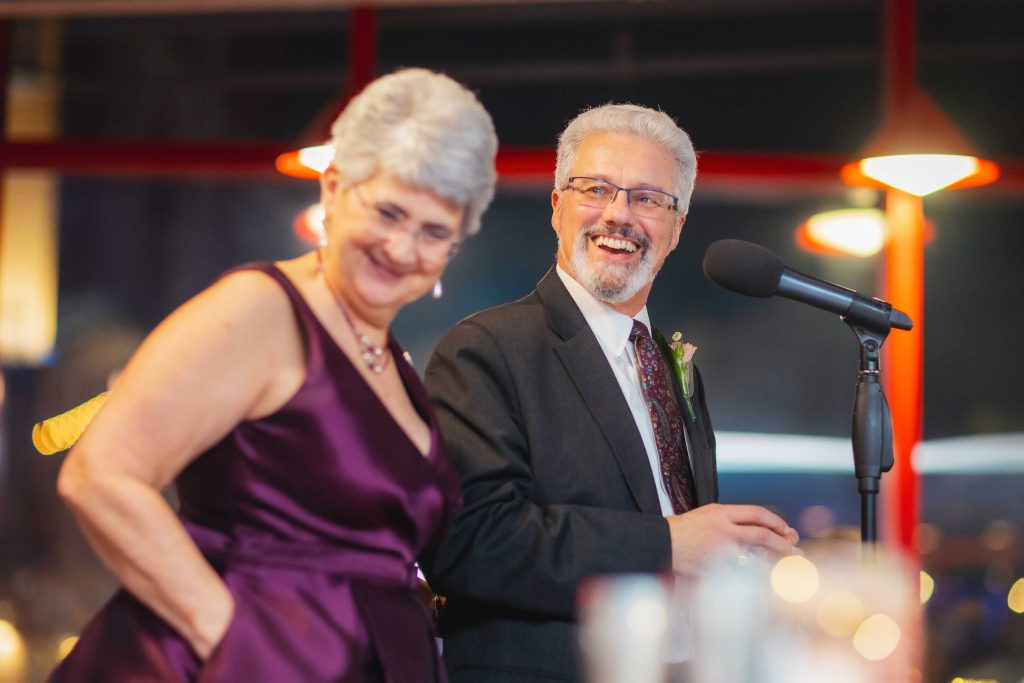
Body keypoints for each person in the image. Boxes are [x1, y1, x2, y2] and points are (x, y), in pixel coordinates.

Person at [51, 67, 497, 682]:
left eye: (433, 232)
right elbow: (100, 477)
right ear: (334, 190)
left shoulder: (386, 354)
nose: (401, 249)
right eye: (389, 213)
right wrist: (237, 645)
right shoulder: (261, 309)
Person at [421, 104, 800, 682]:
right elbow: (468, 542)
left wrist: (738, 555)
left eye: (649, 199)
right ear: (557, 207)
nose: (619, 215)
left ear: (676, 229)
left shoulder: (677, 370)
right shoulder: (486, 348)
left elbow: (682, 536)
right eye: (596, 189)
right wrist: (666, 545)